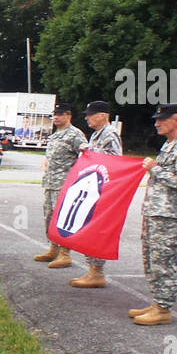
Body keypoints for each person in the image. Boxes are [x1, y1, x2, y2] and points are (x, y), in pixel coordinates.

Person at [127, 104, 177, 325]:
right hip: (156, 211)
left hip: (169, 214)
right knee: (151, 258)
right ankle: (157, 301)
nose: (157, 123)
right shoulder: (170, 145)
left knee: (163, 260)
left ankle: (163, 308)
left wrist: (155, 169)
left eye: (162, 119)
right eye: (156, 119)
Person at [69, 100, 123, 289]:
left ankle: (97, 272)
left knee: (96, 229)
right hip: (92, 187)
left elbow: (115, 160)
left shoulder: (110, 133)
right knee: (88, 228)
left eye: (90, 114)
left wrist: (89, 150)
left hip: (103, 189)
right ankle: (92, 269)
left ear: (102, 115)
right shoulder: (96, 134)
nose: (86, 118)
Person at [34, 102, 87, 268]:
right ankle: (53, 248)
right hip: (50, 183)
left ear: (68, 115)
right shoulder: (55, 135)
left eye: (60, 114)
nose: (56, 117)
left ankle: (65, 253)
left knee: (63, 218)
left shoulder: (75, 135)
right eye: (55, 114)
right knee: (49, 216)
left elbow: (86, 156)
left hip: (65, 184)